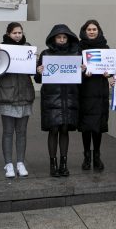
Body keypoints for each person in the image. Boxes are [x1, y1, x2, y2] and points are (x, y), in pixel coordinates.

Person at [35, 24, 80, 177]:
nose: (61, 40)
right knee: (53, 130)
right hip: (51, 97)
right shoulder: (45, 54)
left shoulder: (75, 54)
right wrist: (39, 71)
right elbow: (38, 79)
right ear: (53, 38)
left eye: (64, 37)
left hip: (69, 97)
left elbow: (80, 77)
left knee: (65, 129)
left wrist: (82, 70)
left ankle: (64, 164)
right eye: (59, 37)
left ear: (68, 38)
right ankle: (53, 164)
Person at [0, 22, 35, 178]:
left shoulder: (28, 47)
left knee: (22, 132)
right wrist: (2, 62)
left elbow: (33, 72)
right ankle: (8, 164)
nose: (18, 35)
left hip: (25, 94)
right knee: (7, 132)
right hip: (8, 96)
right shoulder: (1, 50)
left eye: (20, 32)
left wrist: (36, 64)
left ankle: (20, 162)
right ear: (8, 34)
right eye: (14, 33)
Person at [78, 20, 110, 171]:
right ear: (84, 31)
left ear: (99, 30)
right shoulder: (78, 49)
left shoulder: (106, 48)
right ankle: (86, 156)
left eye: (94, 29)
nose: (91, 31)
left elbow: (111, 68)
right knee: (86, 127)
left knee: (98, 127)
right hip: (84, 90)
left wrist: (108, 73)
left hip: (100, 91)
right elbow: (73, 72)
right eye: (89, 29)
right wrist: (82, 71)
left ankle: (97, 156)